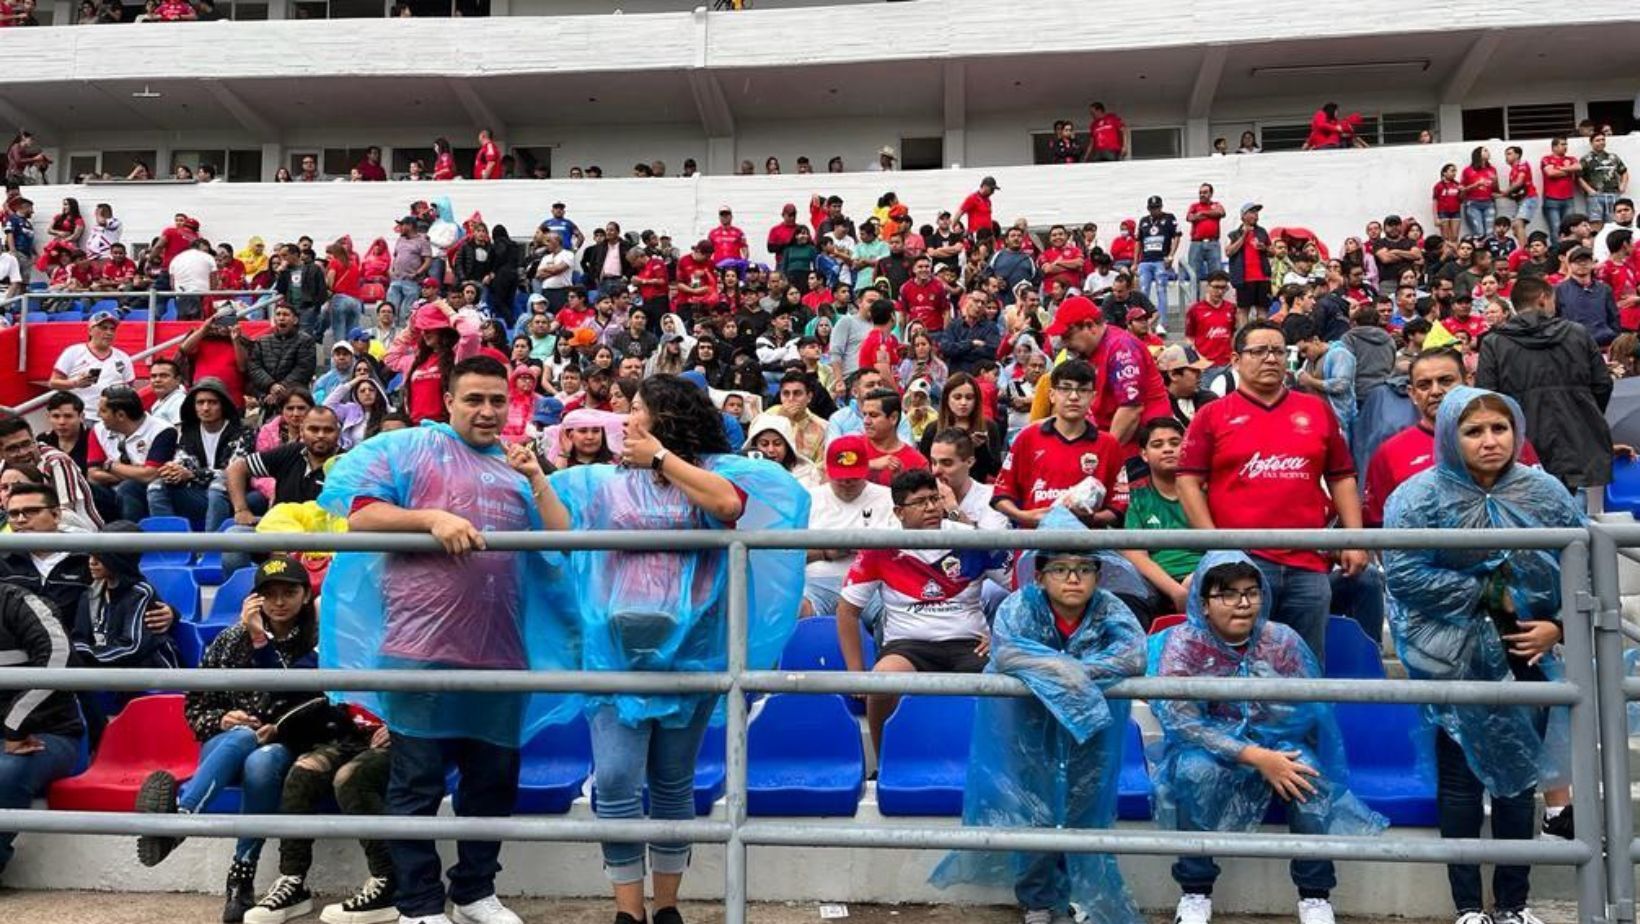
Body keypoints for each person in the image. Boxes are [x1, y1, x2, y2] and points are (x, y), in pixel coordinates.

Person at [545, 373, 807, 924]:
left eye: (637, 407)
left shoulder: (710, 471)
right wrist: (534, 478)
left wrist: (661, 457)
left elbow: (728, 506)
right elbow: (560, 529)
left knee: (671, 780)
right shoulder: (604, 481)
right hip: (616, 654)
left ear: (667, 417)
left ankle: (666, 907)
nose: (627, 415)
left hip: (692, 651)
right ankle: (627, 910)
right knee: (615, 777)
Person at [322, 355, 572, 924]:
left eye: (497, 400)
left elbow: (563, 540)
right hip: (419, 649)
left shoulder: (517, 469)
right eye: (474, 400)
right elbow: (360, 517)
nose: (487, 411)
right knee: (415, 785)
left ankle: (474, 892)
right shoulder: (410, 449)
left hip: (501, 655)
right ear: (450, 402)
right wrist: (430, 519)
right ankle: (419, 905)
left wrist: (536, 477)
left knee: (492, 786)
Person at [1383, 387, 1581, 924]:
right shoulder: (1417, 497)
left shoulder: (1544, 492)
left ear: (1516, 432)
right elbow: (1403, 573)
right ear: (1450, 436)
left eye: (1499, 428)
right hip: (1448, 654)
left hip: (1527, 650)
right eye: (1474, 431)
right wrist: (1490, 593)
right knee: (1462, 782)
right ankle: (1468, 906)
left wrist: (1555, 625)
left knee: (1519, 780)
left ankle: (1513, 904)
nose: (1489, 441)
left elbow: (1582, 564)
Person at [929, 509, 1145, 924]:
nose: (1073, 578)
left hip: (1090, 733)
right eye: (1060, 568)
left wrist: (1066, 669)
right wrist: (1069, 667)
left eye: (1084, 568)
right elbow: (1008, 651)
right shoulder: (1019, 605)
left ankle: (1069, 897)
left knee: (1082, 810)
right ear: (1040, 575)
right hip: (1029, 729)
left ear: (1098, 575)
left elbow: (1133, 655)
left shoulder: (1109, 608)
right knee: (1035, 810)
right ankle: (1036, 901)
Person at [1153, 552, 1387, 924]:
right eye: (1228, 594)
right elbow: (1183, 723)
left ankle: (1315, 897)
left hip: (1277, 745)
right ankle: (1195, 892)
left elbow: (1307, 710)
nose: (1243, 604)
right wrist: (1255, 755)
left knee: (1305, 772)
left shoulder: (1281, 639)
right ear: (1203, 602)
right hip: (1210, 749)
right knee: (1192, 773)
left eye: (1251, 592)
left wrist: (1270, 741)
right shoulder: (1183, 644)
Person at [135, 556, 317, 923]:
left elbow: (300, 695)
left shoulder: (317, 638)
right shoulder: (231, 639)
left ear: (305, 595)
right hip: (226, 745)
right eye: (270, 594)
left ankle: (238, 875)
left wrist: (259, 639)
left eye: (289, 592)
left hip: (286, 744)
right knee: (240, 737)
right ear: (256, 599)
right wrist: (221, 718)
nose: (279, 602)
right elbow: (197, 705)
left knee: (261, 759)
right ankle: (184, 819)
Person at [1176, 321, 1368, 661]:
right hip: (1241, 562)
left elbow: (1341, 477)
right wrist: (1214, 545)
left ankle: (1305, 716)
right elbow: (1188, 480)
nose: (1270, 358)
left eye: (1279, 351)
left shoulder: (1316, 411)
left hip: (1309, 561)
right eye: (1258, 351)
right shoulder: (1212, 415)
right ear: (1236, 359)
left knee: (1305, 662)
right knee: (1236, 662)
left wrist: (1353, 539)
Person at [839, 468, 1010, 751]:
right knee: (881, 684)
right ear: (899, 512)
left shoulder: (972, 539)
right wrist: (855, 672)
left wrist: (1002, 635)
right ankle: (885, 763)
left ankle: (999, 767)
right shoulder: (880, 546)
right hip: (908, 646)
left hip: (969, 644)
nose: (931, 507)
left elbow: (1024, 589)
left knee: (1006, 685)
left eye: (935, 499)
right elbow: (847, 610)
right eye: (920, 502)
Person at [1475, 275, 1613, 506]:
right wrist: (1583, 414)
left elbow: (1486, 398)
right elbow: (1602, 385)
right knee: (1573, 529)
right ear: (1542, 299)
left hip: (1521, 449)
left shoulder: (1494, 342)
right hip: (1576, 445)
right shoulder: (1578, 333)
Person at [0, 582, 85, 883]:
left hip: (47, 733)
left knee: (5, 771)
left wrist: (13, 728)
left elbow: (59, 657)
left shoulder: (18, 603)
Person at [998, 359, 1128, 529]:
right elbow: (1001, 494)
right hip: (1036, 543)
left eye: (1082, 390)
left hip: (1089, 546)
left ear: (1093, 397)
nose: (1074, 397)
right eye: (1065, 388)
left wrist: (1090, 518)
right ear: (1052, 395)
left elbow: (1118, 505)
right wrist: (1025, 516)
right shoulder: (1027, 437)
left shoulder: (1109, 444)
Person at [69, 521, 179, 671]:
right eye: (91, 555)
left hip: (151, 674)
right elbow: (79, 638)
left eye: (101, 557)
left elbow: (131, 647)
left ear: (120, 559)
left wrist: (85, 656)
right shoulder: (88, 594)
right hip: (109, 671)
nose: (92, 562)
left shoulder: (140, 593)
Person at [145, 379, 253, 532]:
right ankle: (171, 548)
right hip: (198, 492)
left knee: (217, 487)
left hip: (233, 494)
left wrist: (191, 474)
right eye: (200, 403)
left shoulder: (242, 431)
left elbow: (232, 472)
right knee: (156, 487)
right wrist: (173, 470)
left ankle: (210, 549)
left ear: (223, 405)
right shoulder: (190, 431)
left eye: (212, 402)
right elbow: (184, 460)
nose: (206, 408)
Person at [1121, 418, 1202, 616]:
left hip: (1207, 576)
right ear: (1144, 454)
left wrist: (1197, 579)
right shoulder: (1136, 495)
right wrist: (1176, 592)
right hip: (1156, 582)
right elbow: (1136, 555)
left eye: (1175, 443)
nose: (1167, 449)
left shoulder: (1207, 490)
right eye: (1158, 444)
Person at [0, 411, 101, 532]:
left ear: (34, 439)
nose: (23, 452)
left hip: (77, 534)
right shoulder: (3, 468)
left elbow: (64, 512)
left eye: (26, 444)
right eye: (12, 449)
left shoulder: (57, 462)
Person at [87, 386, 172, 522]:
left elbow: (149, 475)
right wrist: (134, 472)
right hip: (110, 490)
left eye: (103, 411)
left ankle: (131, 539)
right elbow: (93, 475)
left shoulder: (163, 431)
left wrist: (110, 466)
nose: (98, 415)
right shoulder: (98, 430)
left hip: (147, 493)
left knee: (130, 487)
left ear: (120, 415)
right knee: (86, 488)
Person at [916, 372, 1006, 484]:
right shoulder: (933, 429)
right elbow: (924, 468)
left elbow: (995, 470)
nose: (963, 403)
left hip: (975, 491)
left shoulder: (989, 426)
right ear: (947, 399)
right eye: (957, 397)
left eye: (969, 398)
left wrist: (980, 448)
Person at [47, 312, 134, 423]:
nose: (108, 332)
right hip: (81, 417)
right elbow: (53, 383)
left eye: (112, 329)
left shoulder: (123, 357)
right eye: (103, 328)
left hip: (112, 419)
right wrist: (75, 383)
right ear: (90, 330)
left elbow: (130, 389)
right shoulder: (73, 352)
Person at [247, 303, 318, 414]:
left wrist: (280, 389)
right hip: (267, 398)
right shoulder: (262, 341)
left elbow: (304, 369)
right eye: (278, 314)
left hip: (294, 399)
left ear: (295, 320)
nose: (281, 318)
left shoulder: (305, 341)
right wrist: (271, 386)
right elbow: (254, 367)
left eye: (285, 314)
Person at [857, 388, 927, 486]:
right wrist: (870, 464)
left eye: (873, 415)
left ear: (893, 418)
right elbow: (834, 475)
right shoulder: (851, 446)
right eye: (864, 415)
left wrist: (900, 480)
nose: (866, 421)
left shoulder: (917, 462)